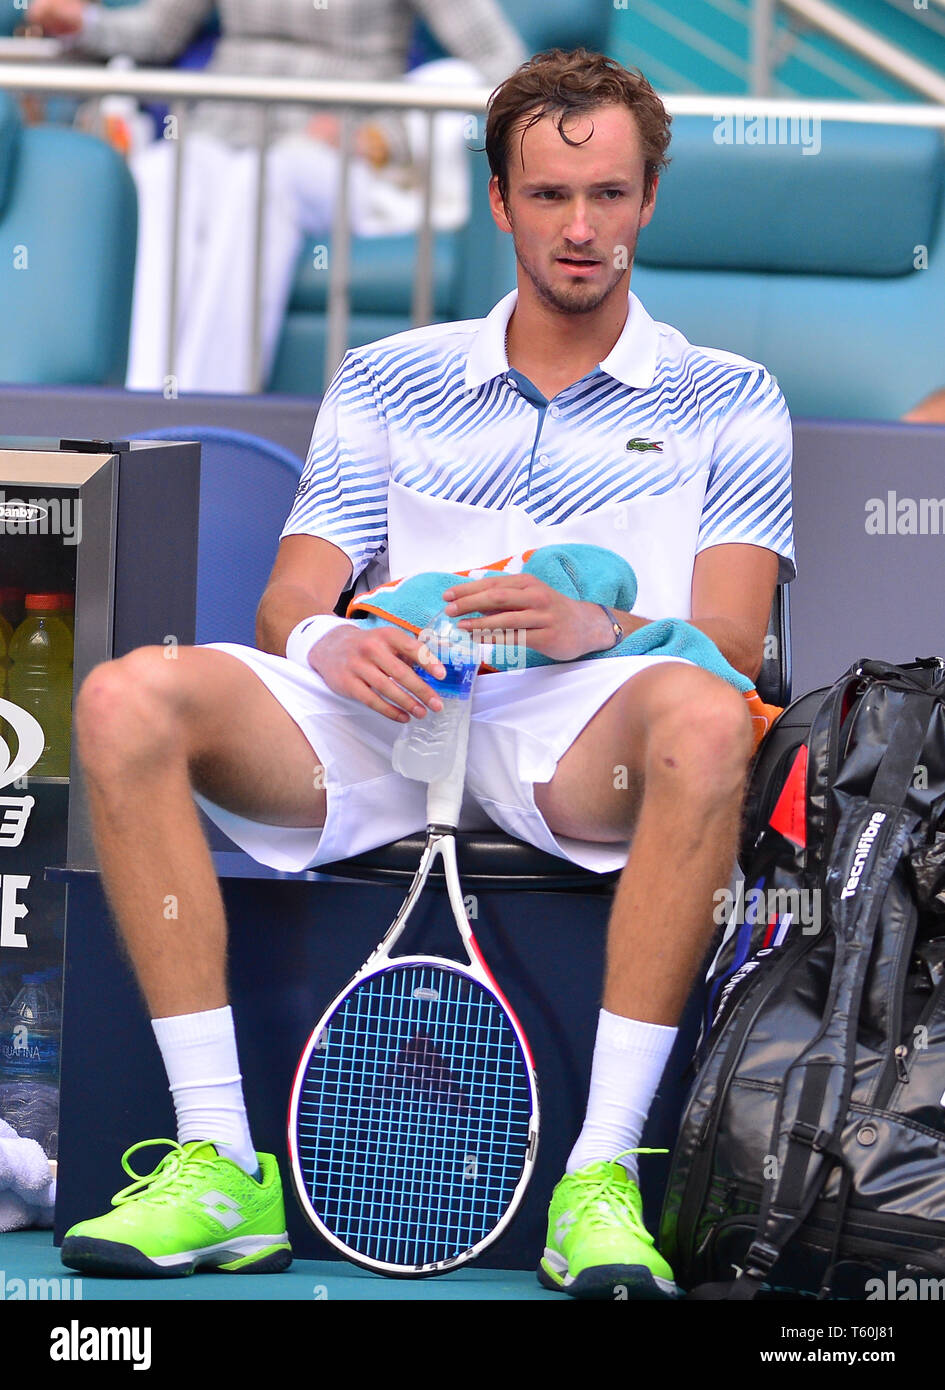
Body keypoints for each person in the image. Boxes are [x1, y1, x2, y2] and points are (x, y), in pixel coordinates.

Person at [60, 47, 794, 1297]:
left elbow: (728, 643)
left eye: (610, 196)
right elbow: (293, 588)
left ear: (649, 200)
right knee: (126, 696)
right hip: (394, 717)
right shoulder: (389, 374)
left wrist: (587, 631)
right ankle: (220, 1161)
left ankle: (599, 1177)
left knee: (710, 720)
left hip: (591, 733)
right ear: (499, 202)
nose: (581, 228)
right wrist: (329, 636)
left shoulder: (732, 397)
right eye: (550, 197)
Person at [26, 0, 527, 392]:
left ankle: (209, 412)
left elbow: (501, 62)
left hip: (336, 155)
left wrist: (383, 131)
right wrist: (85, 23)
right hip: (219, 133)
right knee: (160, 175)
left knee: (262, 182)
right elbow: (159, 31)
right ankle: (140, 404)